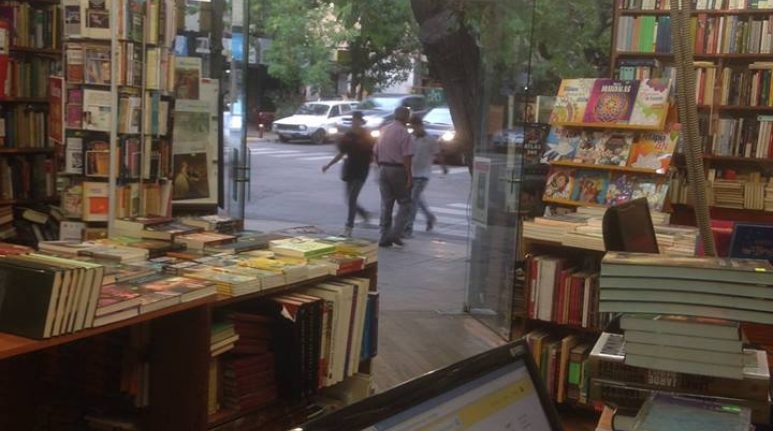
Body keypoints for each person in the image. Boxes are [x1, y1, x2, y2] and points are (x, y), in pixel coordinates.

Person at [321, 111, 373, 237]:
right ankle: (363, 213)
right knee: (349, 199)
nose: (355, 122)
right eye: (353, 120)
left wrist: (378, 164)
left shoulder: (367, 135)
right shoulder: (348, 135)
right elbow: (341, 153)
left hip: (362, 169)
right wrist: (329, 165)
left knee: (352, 198)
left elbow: (373, 152)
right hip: (350, 168)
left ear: (361, 121)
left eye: (357, 120)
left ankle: (348, 227)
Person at [373, 106, 413, 247]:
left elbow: (375, 152)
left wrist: (380, 167)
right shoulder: (404, 133)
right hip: (398, 169)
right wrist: (409, 176)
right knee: (405, 202)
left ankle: (384, 235)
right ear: (406, 118)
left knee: (386, 203)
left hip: (383, 168)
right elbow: (407, 156)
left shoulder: (384, 129)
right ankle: (396, 232)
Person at [405, 115, 446, 237]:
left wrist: (443, 167)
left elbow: (437, 153)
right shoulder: (410, 138)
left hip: (423, 174)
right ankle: (430, 217)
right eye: (411, 126)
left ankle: (408, 228)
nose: (413, 129)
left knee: (413, 200)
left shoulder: (430, 139)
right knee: (416, 199)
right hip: (411, 173)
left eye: (415, 126)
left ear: (420, 125)